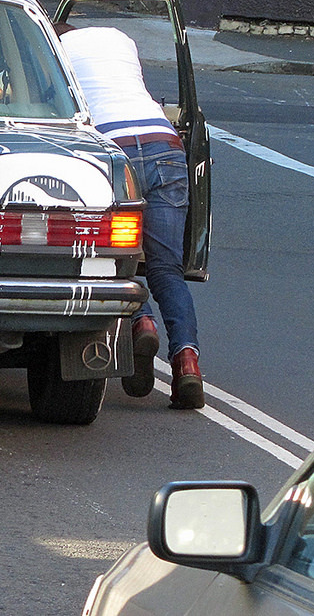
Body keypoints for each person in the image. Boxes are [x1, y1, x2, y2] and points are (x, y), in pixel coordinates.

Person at [55, 23, 204, 410]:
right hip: (164, 143)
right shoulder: (121, 40)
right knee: (166, 269)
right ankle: (187, 362)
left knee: (118, 256)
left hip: (114, 149)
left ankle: (142, 322)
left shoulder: (55, 49)